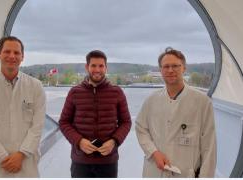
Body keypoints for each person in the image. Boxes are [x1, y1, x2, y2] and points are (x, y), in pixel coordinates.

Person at [135, 47, 216, 178]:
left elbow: (209, 146)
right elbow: (140, 128)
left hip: (185, 173)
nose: (170, 70)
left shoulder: (202, 102)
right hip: (155, 171)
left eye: (175, 66)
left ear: (184, 68)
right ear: (160, 70)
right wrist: (154, 152)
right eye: (166, 66)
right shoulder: (151, 101)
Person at [0, 36, 46, 177]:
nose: (12, 56)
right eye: (7, 52)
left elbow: (37, 126)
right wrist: (2, 157)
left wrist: (21, 155)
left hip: (25, 161)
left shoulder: (35, 87)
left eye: (17, 53)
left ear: (22, 57)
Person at [59, 50, 131, 178]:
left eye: (101, 66)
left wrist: (114, 141)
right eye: (93, 65)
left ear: (106, 68)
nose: (97, 69)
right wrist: (79, 141)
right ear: (87, 67)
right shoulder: (75, 92)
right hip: (80, 162)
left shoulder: (117, 92)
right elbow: (64, 122)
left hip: (108, 161)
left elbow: (126, 122)